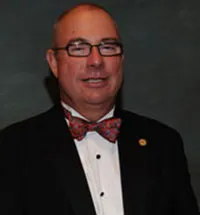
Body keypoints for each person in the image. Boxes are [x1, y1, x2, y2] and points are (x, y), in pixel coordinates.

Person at [0, 3, 199, 215]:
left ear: (121, 61)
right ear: (54, 62)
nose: (96, 61)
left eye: (108, 47)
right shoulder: (12, 149)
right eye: (78, 48)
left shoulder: (164, 145)